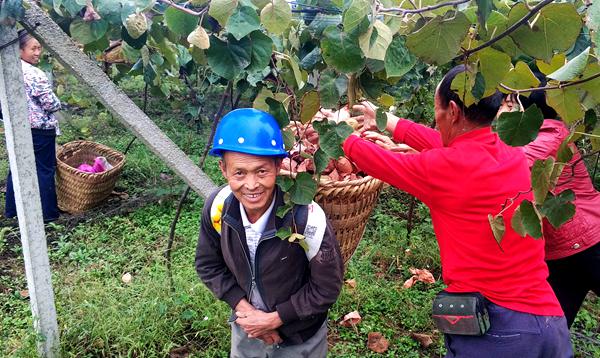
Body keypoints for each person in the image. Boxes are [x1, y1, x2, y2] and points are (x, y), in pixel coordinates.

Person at [343, 65, 572, 357]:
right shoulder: (508, 150)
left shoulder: (443, 169)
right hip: (548, 322)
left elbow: (381, 163)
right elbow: (449, 142)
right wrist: (389, 122)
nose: (436, 120)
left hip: (500, 332)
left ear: (452, 110)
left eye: (437, 109)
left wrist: (336, 132)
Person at [195, 108, 344, 357]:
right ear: (223, 169)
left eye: (261, 171)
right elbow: (208, 265)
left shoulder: (306, 217)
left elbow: (326, 288)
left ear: (277, 166)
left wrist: (276, 319)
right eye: (239, 173)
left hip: (300, 335)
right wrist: (247, 312)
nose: (251, 185)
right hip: (247, 328)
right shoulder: (218, 208)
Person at [499, 89, 600, 329]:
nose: (502, 110)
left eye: (508, 103)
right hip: (560, 253)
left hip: (590, 245)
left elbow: (501, 166)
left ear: (524, 109)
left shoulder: (551, 136)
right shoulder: (530, 138)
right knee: (552, 328)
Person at [4, 29, 61, 222]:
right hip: (40, 130)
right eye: (33, 48)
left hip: (17, 128)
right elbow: (50, 104)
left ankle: (12, 211)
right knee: (44, 171)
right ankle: (49, 215)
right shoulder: (34, 73)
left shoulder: (5, 70)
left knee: (17, 168)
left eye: (39, 48)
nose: (38, 52)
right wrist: (57, 103)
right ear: (20, 50)